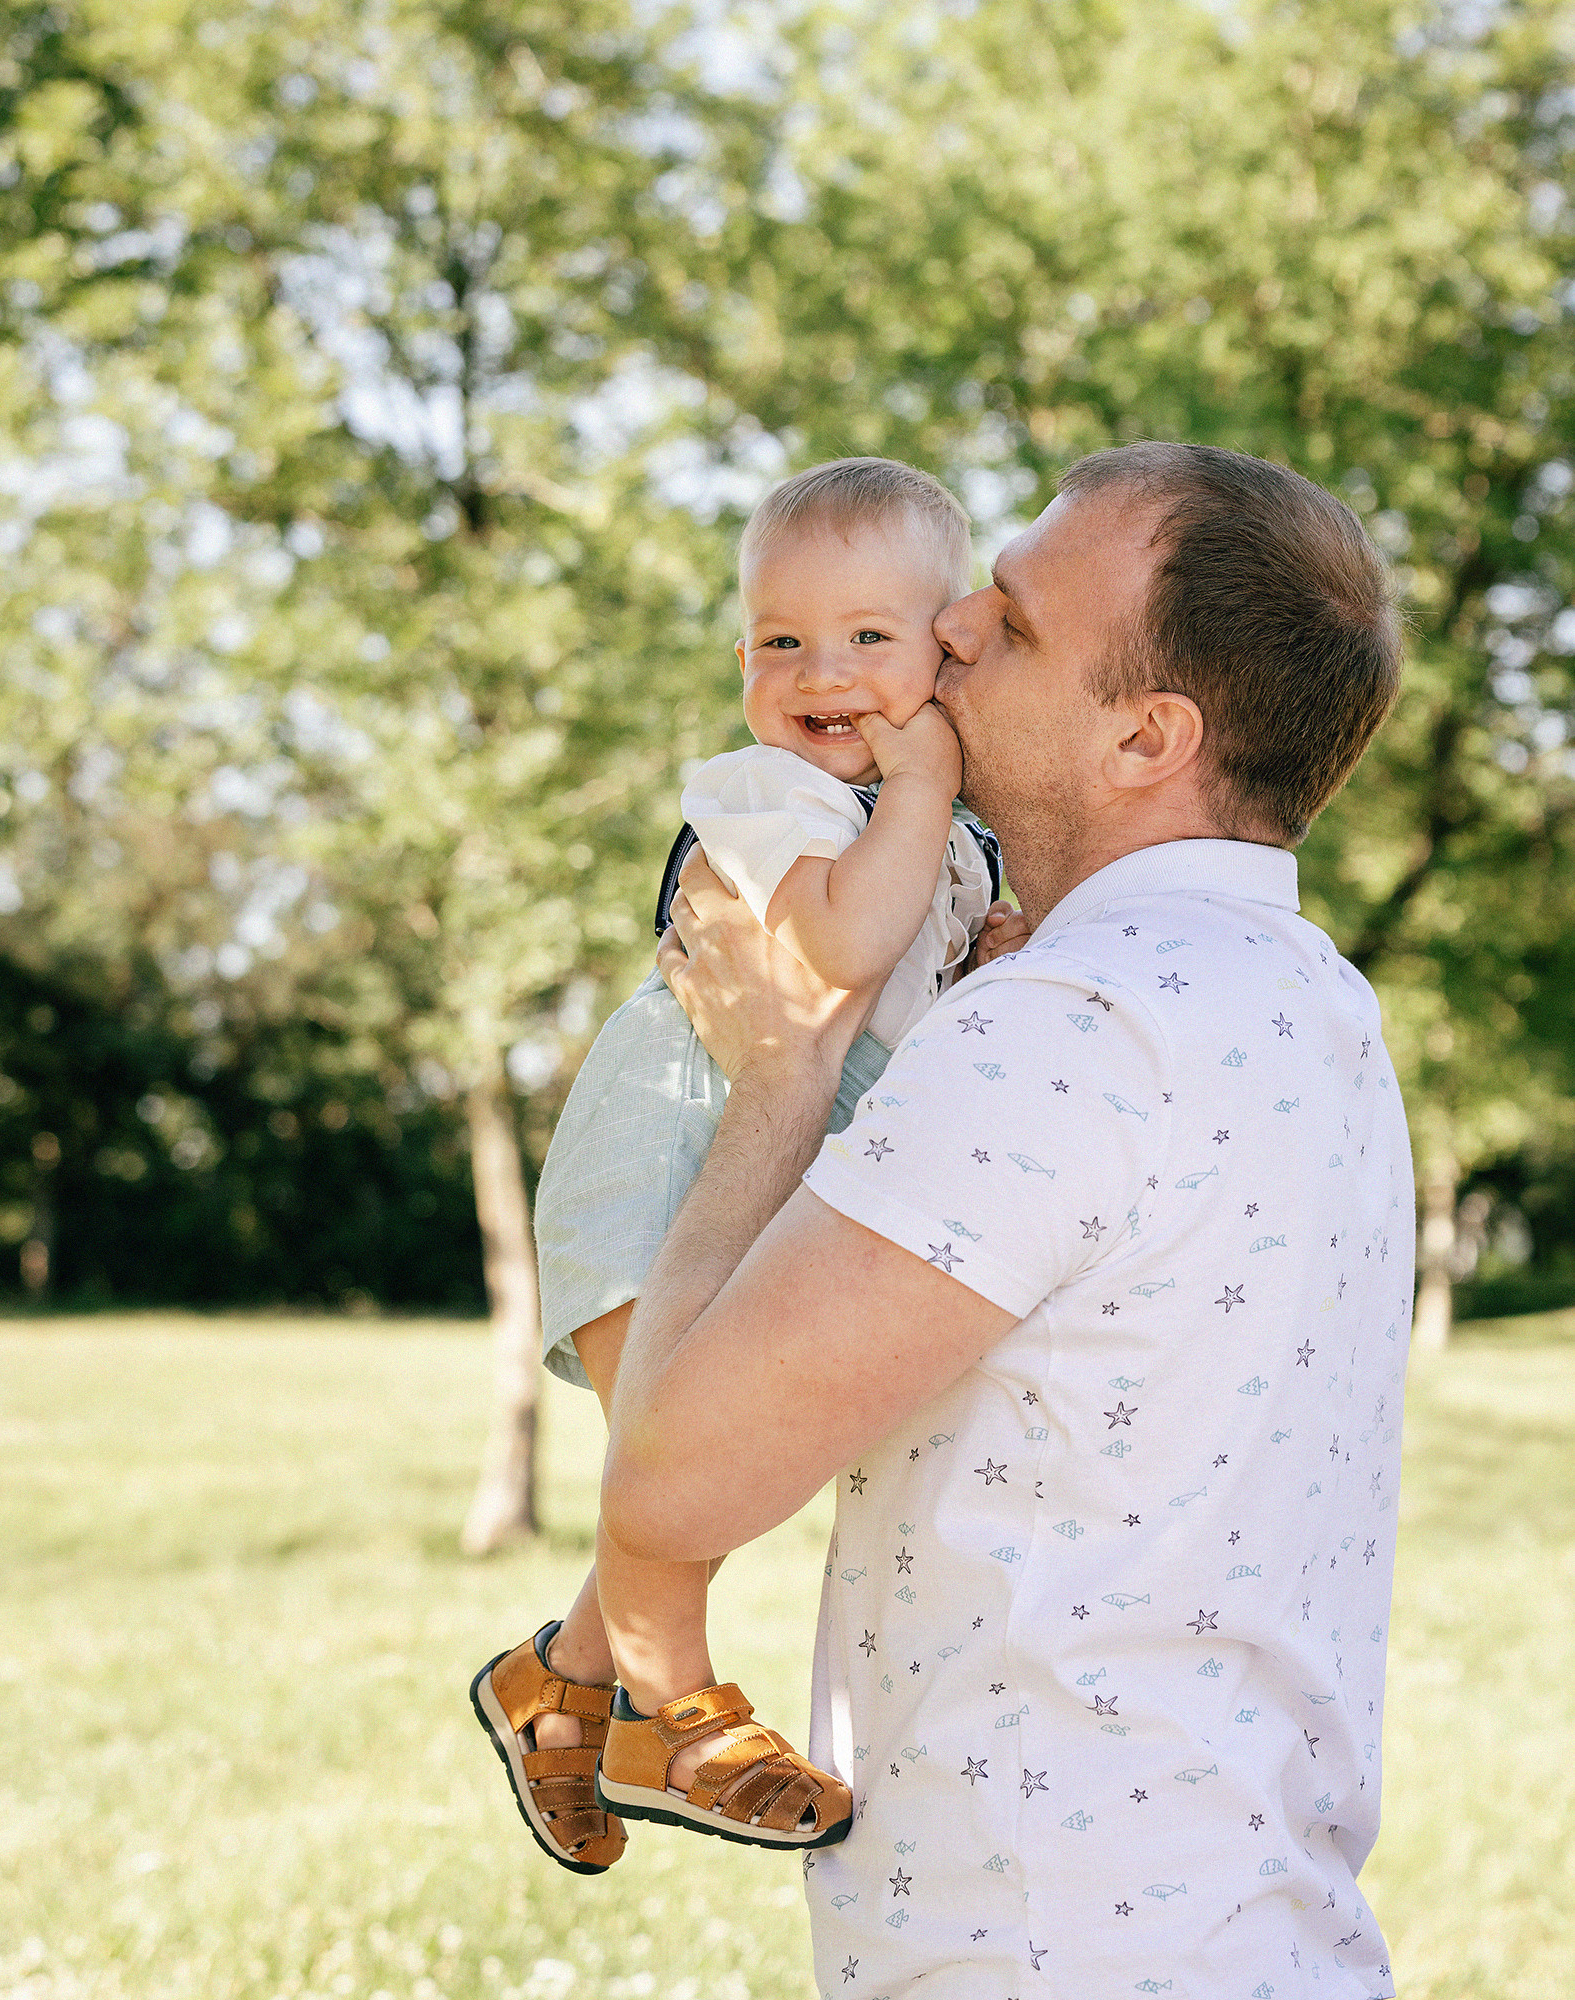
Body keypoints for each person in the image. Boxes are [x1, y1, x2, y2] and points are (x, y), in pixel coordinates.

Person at [602, 443, 1413, 1998]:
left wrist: (786, 1070)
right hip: (1237, 1929)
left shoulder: (1069, 1027)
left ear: (1144, 736)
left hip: (1037, 1947)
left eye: (1015, 624)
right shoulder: (1311, 1004)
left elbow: (668, 1481)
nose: (951, 626)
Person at [470, 459, 1028, 1873]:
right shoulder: (765, 797)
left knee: (716, 1466)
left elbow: (915, 1000)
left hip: (780, 1164)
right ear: (740, 667)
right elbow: (834, 949)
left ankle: (555, 1687)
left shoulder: (950, 839)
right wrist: (923, 781)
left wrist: (993, 950)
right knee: (675, 1458)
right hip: (664, 1139)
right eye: (781, 640)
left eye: (866, 639)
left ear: (946, 647)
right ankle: (676, 1713)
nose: (818, 671)